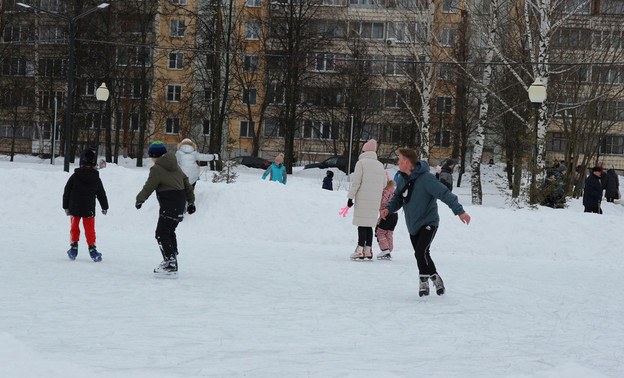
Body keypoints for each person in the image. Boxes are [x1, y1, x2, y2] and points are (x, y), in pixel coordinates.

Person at [380, 148, 471, 297]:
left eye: (400, 160)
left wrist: (459, 211)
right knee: (422, 253)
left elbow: (444, 193)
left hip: (429, 221)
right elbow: (398, 198)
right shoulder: (402, 178)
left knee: (420, 251)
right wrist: (388, 209)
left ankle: (423, 281)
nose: (398, 163)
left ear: (408, 162)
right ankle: (435, 276)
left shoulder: (426, 179)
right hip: (413, 223)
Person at [136, 141, 195, 277]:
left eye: (151, 156)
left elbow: (149, 186)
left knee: (161, 233)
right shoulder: (175, 166)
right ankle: (172, 258)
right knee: (169, 231)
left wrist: (140, 199)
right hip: (180, 202)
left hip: (169, 202)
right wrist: (191, 202)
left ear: (155, 156)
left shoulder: (157, 169)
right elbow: (186, 182)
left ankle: (170, 262)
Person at [62, 149, 109, 262]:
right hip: (89, 208)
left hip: (74, 207)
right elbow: (101, 193)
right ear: (93, 163)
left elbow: (67, 191)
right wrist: (104, 206)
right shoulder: (95, 178)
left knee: (74, 227)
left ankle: (74, 247)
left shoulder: (75, 176)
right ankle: (92, 250)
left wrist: (66, 206)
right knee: (90, 229)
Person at [347, 139, 387, 260]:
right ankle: (368, 250)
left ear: (364, 150)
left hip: (363, 198)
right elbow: (384, 183)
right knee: (369, 224)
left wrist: (350, 197)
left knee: (361, 224)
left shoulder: (361, 163)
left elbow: (356, 182)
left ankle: (360, 249)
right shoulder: (380, 165)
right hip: (374, 200)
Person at [376, 177, 398, 260]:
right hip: (395, 215)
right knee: (389, 232)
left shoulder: (385, 190)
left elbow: (383, 202)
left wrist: (381, 210)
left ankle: (385, 249)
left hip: (386, 213)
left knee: (380, 232)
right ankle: (389, 249)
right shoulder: (393, 189)